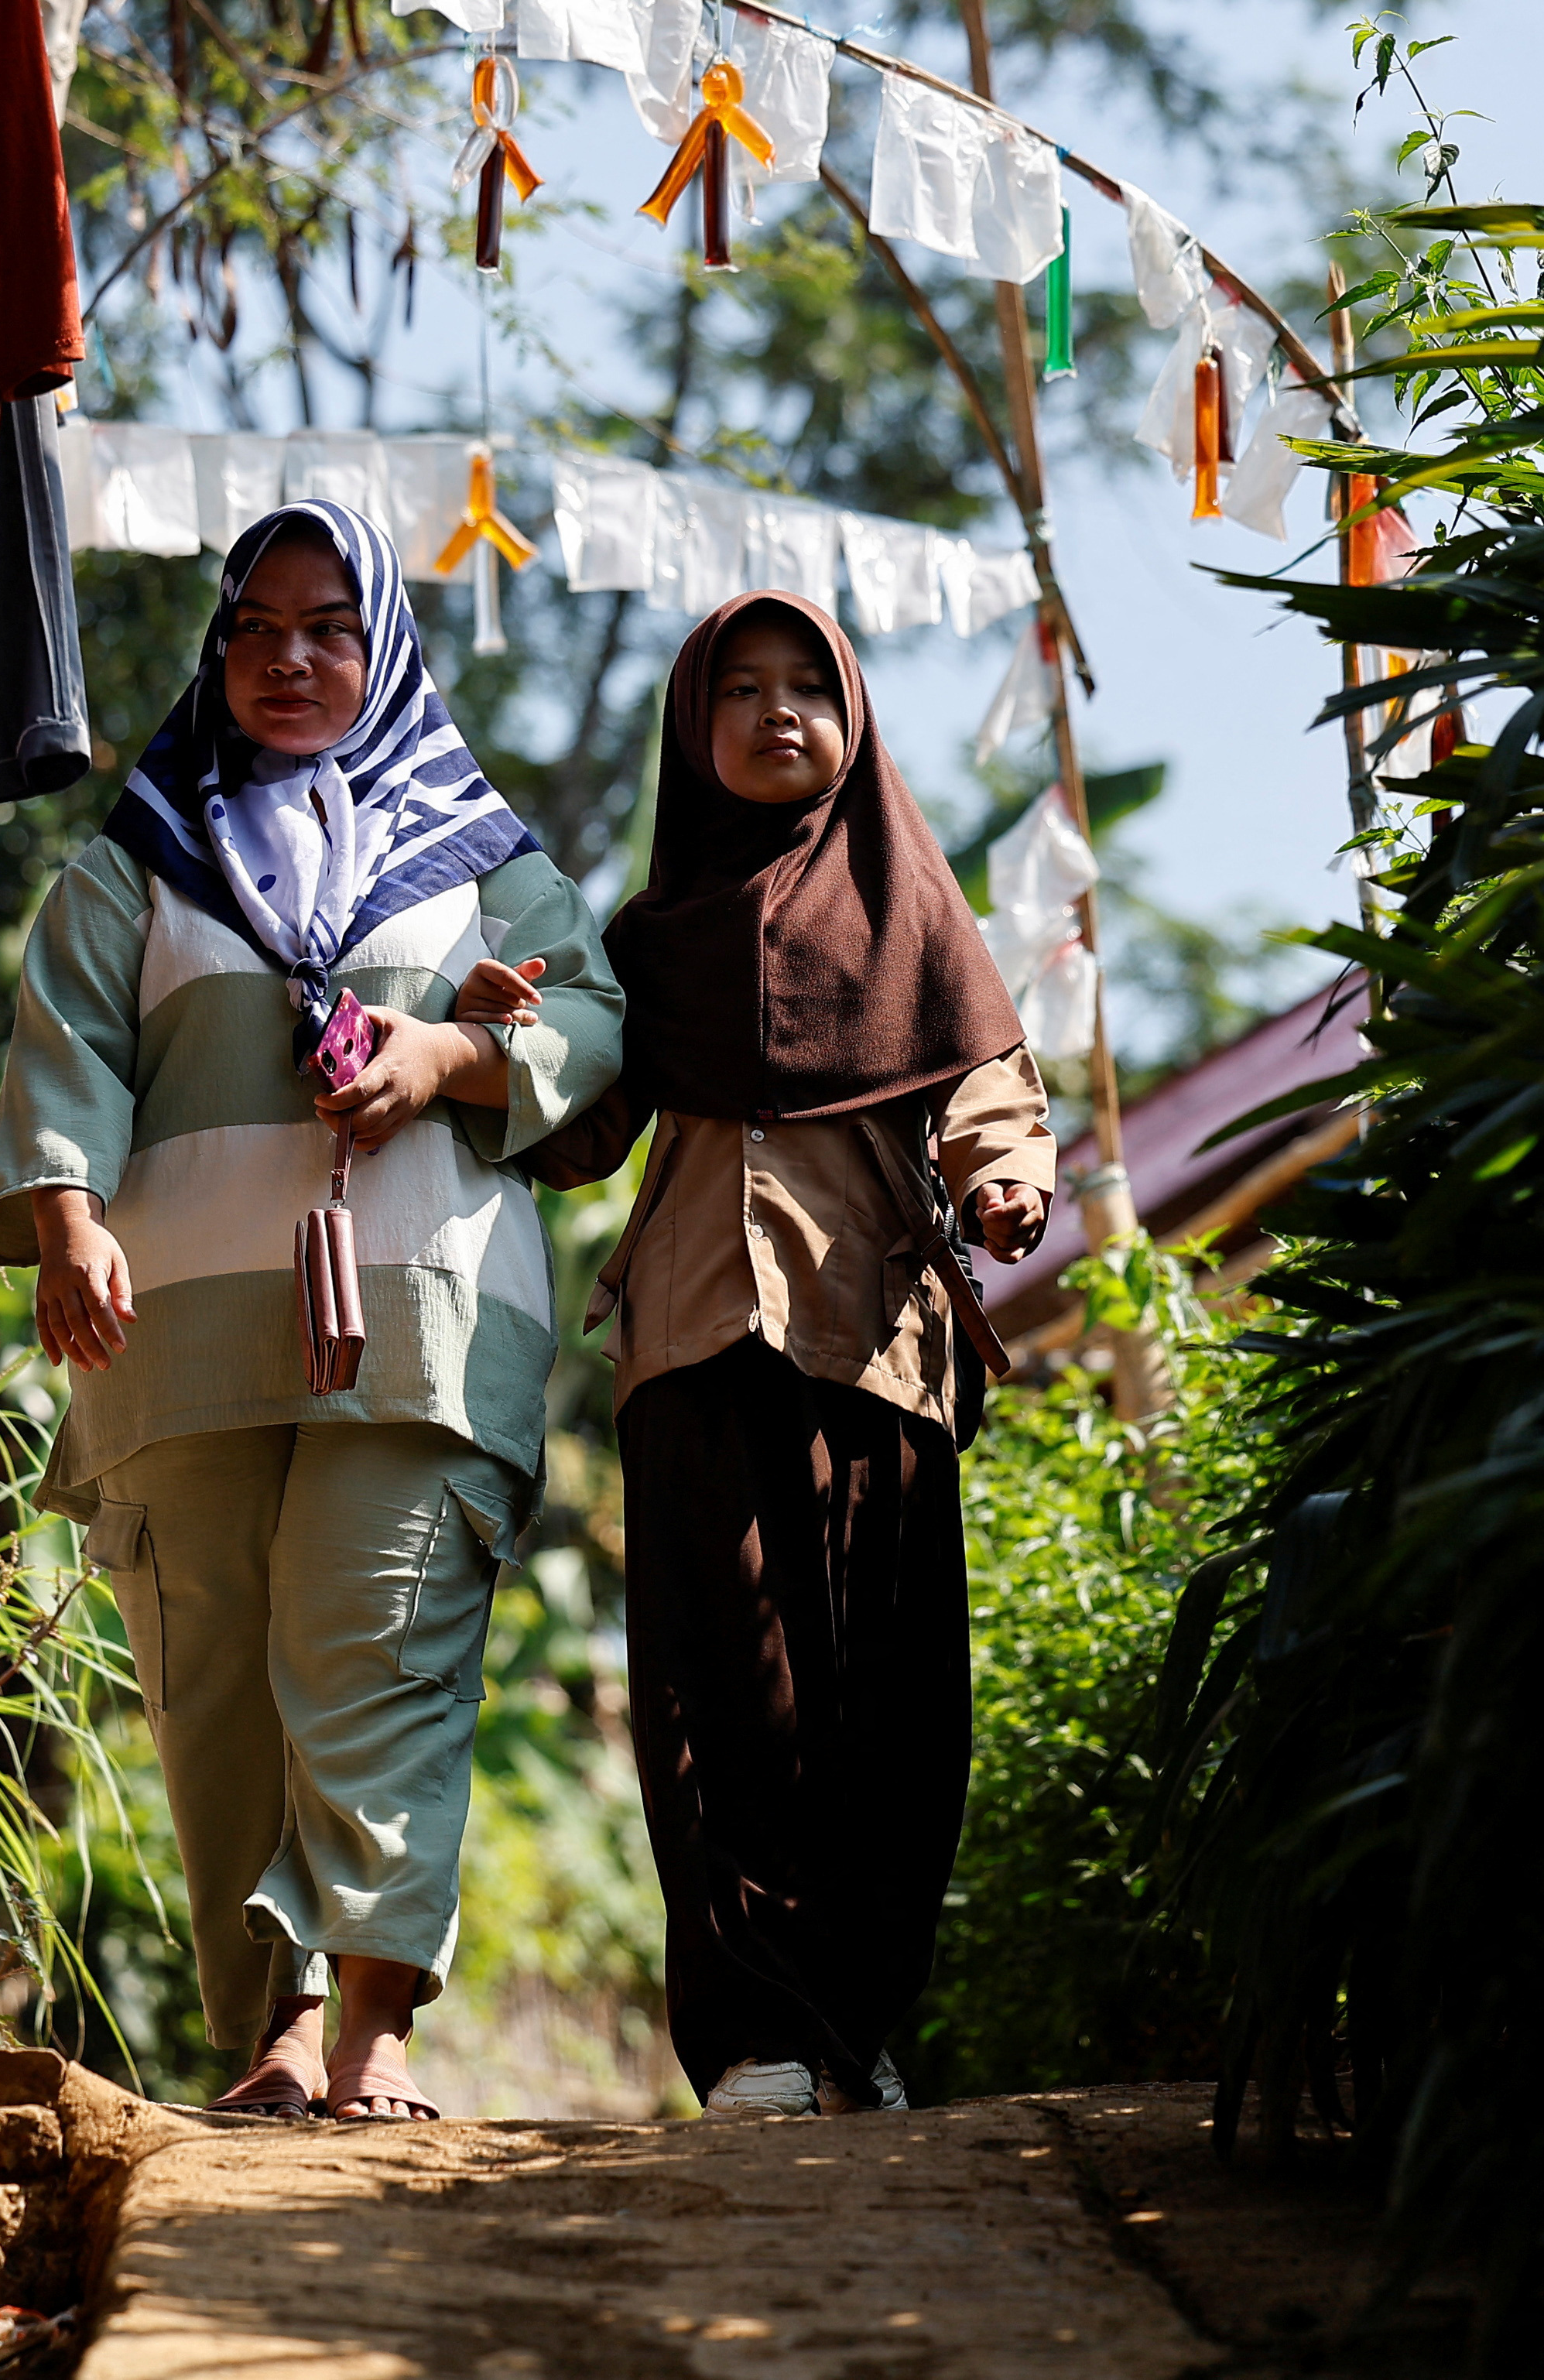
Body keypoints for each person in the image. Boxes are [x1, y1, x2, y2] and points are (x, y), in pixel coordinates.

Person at [0, 499, 622, 2123]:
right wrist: (64, 1219)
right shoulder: (135, 861)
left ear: (381, 643)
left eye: (326, 625)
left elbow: (597, 1021)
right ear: (216, 650)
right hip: (172, 1333)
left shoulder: (482, 861)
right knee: (216, 1694)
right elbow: (64, 1054)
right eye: (252, 628)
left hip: (424, 1322)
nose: (288, 658)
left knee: (377, 1650)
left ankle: (373, 2033)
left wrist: (447, 1058)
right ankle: (267, 2031)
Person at [470, 589, 1051, 2120]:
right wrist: (507, 1041)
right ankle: (754, 2040)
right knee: (716, 1693)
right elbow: (583, 1131)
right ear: (690, 725)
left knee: (886, 1699)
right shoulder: (650, 937)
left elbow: (984, 1074)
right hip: (691, 1336)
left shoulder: (920, 914)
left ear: (853, 718)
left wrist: (1003, 1175)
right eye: (740, 688)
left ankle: (855, 2027)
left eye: (808, 685)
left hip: (877, 1343)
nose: (777, 711)